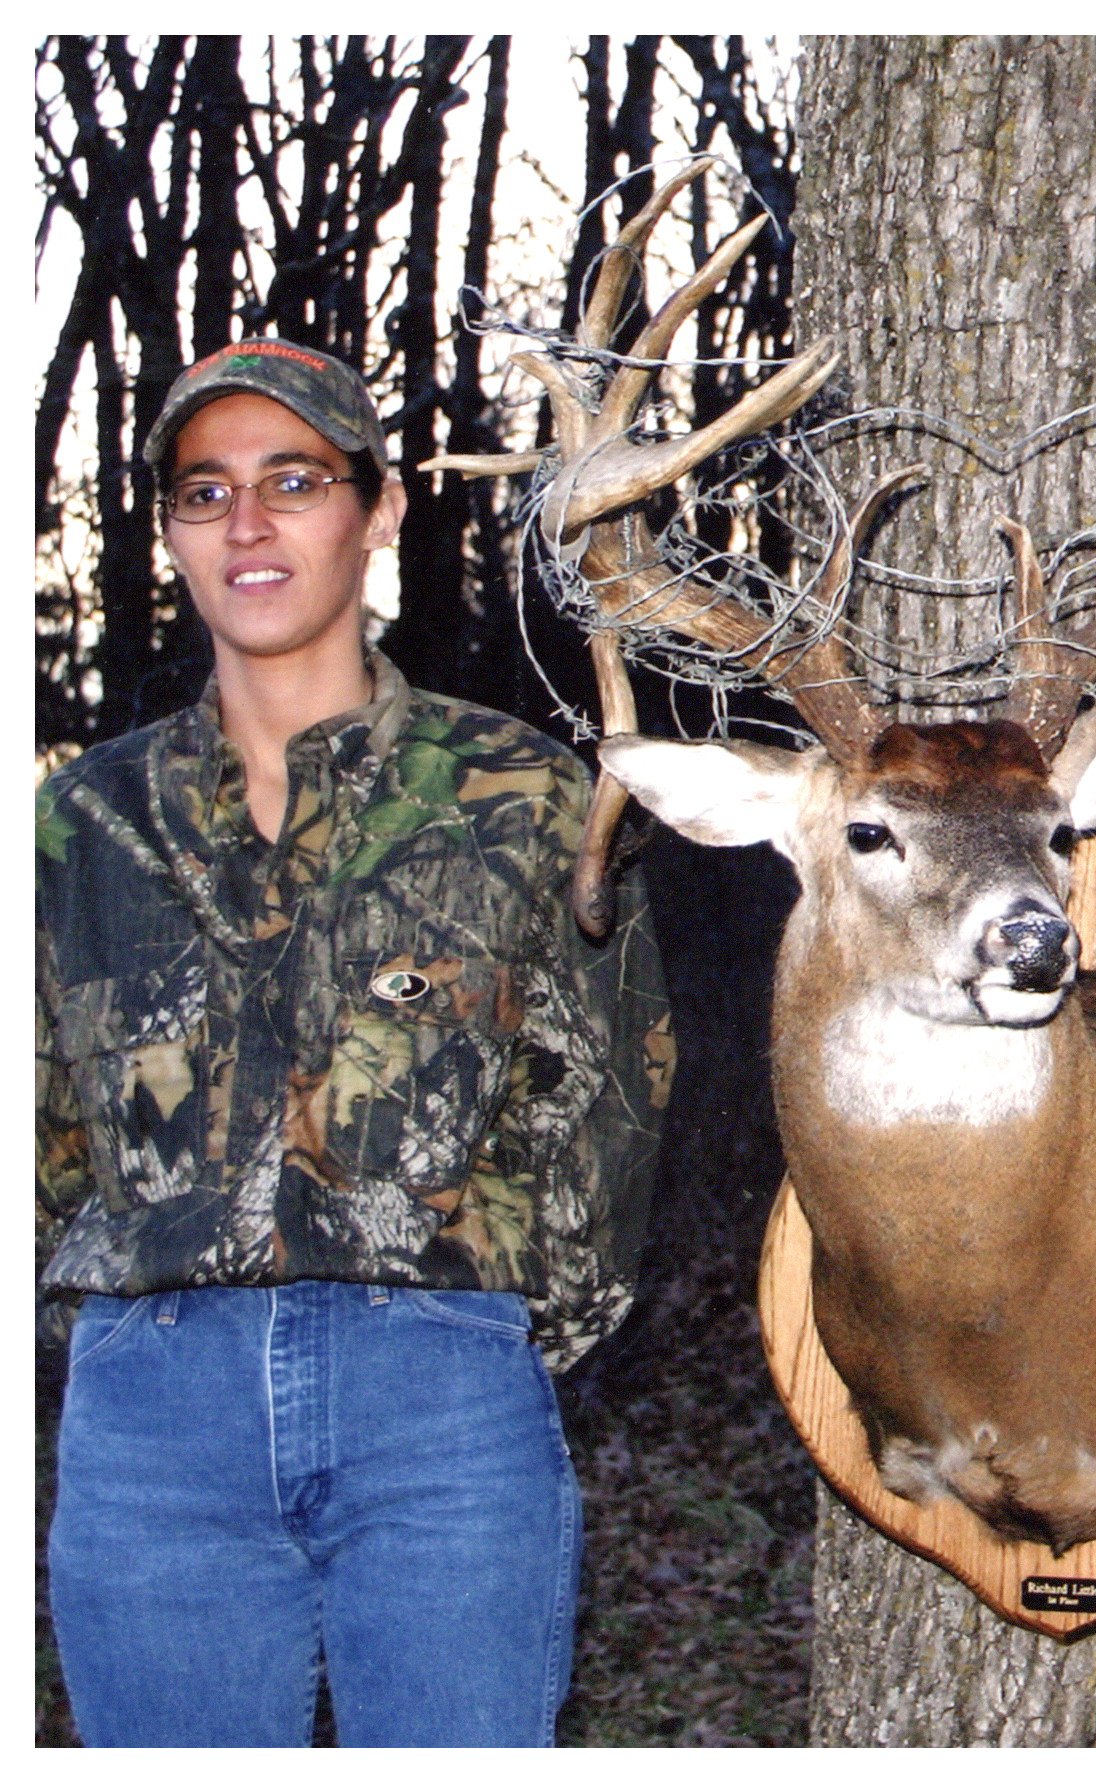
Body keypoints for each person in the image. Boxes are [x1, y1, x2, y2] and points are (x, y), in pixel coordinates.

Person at [37, 339, 674, 1746]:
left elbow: (606, 1097)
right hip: (154, 1425)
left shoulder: (519, 793)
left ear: (377, 510)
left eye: (294, 481)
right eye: (206, 493)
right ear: (170, 532)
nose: (248, 525)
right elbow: (39, 1131)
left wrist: (480, 1327)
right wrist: (128, 1315)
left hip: (439, 1409)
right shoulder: (81, 823)